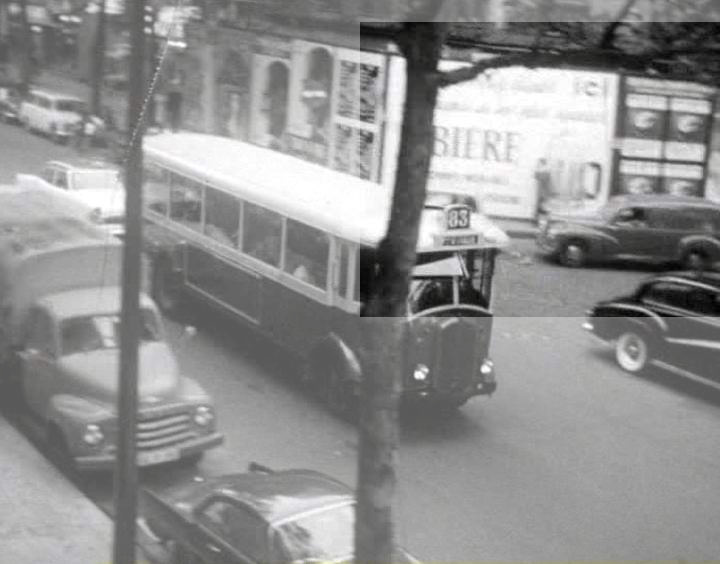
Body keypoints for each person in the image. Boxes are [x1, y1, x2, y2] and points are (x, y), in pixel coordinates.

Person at [534, 158, 553, 224]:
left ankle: (542, 223)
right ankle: (541, 222)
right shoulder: (545, 172)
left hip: (543, 194)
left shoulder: (545, 172)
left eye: (540, 163)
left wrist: (537, 168)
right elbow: (536, 175)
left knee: (542, 209)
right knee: (542, 209)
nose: (538, 165)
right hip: (543, 194)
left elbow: (536, 175)